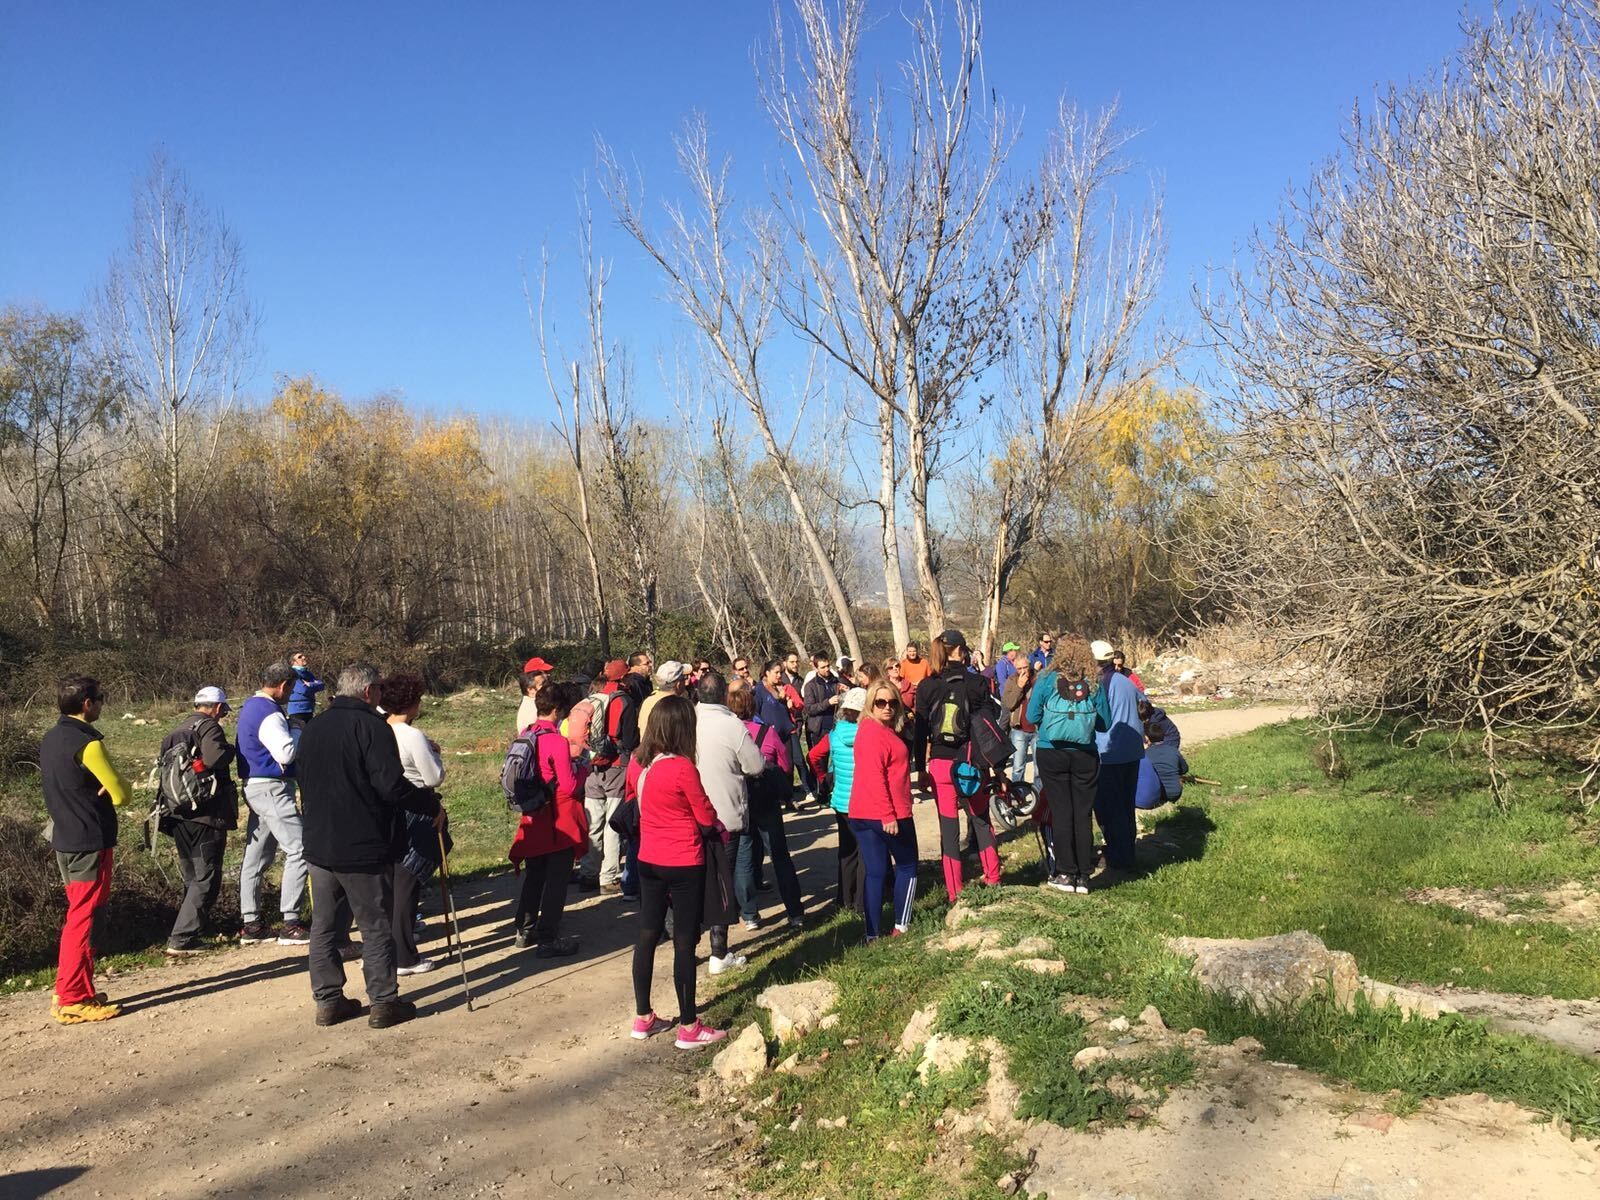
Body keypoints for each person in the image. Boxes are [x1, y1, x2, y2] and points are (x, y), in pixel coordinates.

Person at [298, 664, 444, 1029]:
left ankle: (328, 1001)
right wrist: (429, 804)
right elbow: (390, 786)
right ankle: (384, 1002)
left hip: (318, 840)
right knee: (375, 924)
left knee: (324, 926)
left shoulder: (313, 727)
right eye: (378, 687)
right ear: (367, 691)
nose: (381, 693)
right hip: (361, 843)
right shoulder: (371, 727)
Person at [626, 694, 727, 1050]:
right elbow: (705, 814)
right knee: (685, 941)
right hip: (683, 859)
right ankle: (689, 1025)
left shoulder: (640, 764)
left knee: (647, 935)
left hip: (648, 858)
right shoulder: (682, 768)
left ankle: (643, 1017)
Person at [41, 675, 130, 1024]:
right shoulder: (87, 743)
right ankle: (73, 997)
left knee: (79, 915)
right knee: (85, 919)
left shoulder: (51, 738)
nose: (103, 703)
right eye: (101, 697)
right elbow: (122, 794)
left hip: (64, 837)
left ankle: (72, 989)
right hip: (90, 840)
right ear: (87, 703)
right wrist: (113, 787)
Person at [915, 630, 1002, 900]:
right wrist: (998, 768)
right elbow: (990, 725)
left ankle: (955, 892)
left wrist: (920, 769)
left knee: (949, 829)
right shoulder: (978, 683)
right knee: (981, 821)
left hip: (940, 764)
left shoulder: (926, 686)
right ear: (962, 651)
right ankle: (993, 879)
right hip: (971, 763)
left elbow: (920, 731)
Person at [691, 670, 766, 974]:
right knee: (722, 883)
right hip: (726, 816)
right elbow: (756, 765)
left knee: (694, 882)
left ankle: (687, 945)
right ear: (723, 695)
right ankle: (718, 952)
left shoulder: (687, 719)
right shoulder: (732, 725)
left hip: (692, 815)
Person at [509, 682, 590, 955]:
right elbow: (569, 785)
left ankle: (524, 929)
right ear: (557, 710)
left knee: (534, 875)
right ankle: (548, 938)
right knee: (557, 879)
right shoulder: (556, 741)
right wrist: (583, 768)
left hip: (533, 815)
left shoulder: (527, 733)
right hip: (557, 819)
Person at [160, 687, 238, 957]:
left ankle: (192, 929)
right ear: (216, 707)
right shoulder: (209, 727)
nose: (223, 715)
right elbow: (215, 757)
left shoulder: (176, 730)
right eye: (223, 710)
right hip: (206, 814)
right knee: (206, 877)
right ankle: (182, 937)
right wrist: (231, 750)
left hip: (178, 814)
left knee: (192, 875)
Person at [1029, 638, 1110, 893]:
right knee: (1082, 813)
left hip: (1051, 752)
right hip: (1085, 754)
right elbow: (1105, 724)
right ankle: (1084, 876)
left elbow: (1031, 716)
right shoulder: (1094, 683)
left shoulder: (1046, 679)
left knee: (1061, 811)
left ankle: (1065, 873)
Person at [237, 660, 308, 945]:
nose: (291, 694)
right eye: (291, 688)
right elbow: (286, 753)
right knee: (300, 848)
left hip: (255, 786)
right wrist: (298, 730)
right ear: (284, 685)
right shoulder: (269, 712)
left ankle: (251, 923)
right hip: (272, 787)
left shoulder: (250, 707)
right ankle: (291, 923)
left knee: (257, 856)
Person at [382, 671, 446, 975]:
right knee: (408, 884)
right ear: (411, 703)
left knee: (392, 885)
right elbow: (433, 777)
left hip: (385, 811)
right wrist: (435, 754)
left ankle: (391, 948)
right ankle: (404, 957)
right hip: (417, 807)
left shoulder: (377, 730)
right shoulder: (412, 736)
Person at [735, 669, 807, 930]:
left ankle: (749, 914)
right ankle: (795, 911)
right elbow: (786, 766)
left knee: (744, 856)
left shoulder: (730, 735)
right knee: (779, 854)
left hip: (741, 799)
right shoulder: (767, 733)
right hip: (766, 797)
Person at [849, 680, 918, 940]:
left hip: (864, 813)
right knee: (908, 866)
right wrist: (888, 815)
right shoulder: (873, 733)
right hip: (887, 812)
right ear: (870, 704)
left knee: (876, 872)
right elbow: (874, 776)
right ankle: (902, 925)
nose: (887, 707)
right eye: (880, 702)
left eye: (892, 702)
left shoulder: (877, 730)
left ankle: (872, 933)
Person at [582, 659, 640, 894]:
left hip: (592, 766)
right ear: (623, 677)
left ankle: (588, 873)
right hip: (616, 765)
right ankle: (608, 877)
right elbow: (629, 739)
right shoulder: (624, 700)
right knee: (612, 823)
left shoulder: (593, 698)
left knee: (593, 823)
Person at [1092, 639, 1146, 873]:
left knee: (1108, 808)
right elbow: (1146, 706)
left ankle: (1117, 855)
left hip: (1108, 753)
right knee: (1126, 805)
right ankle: (1128, 853)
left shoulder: (1100, 685)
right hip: (1132, 751)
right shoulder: (1126, 681)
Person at [823, 687, 867, 910]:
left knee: (847, 851)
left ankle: (844, 899)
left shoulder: (834, 734)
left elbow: (815, 755)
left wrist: (822, 776)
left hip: (841, 801)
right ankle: (862, 900)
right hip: (863, 800)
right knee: (865, 852)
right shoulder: (867, 735)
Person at [1136, 701, 1187, 810]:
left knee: (1161, 760)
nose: (1144, 721)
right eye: (1142, 719)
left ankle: (1165, 780)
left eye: (1145, 719)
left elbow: (1150, 736)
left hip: (1170, 738)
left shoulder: (1155, 721)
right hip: (1163, 739)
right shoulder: (1151, 716)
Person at [898, 642, 934, 779]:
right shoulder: (903, 664)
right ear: (907, 652)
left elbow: (930, 677)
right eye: (910, 651)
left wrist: (922, 683)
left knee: (923, 724)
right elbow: (901, 679)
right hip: (908, 696)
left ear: (917, 651)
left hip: (922, 694)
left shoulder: (924, 663)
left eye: (914, 651)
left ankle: (927, 753)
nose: (912, 653)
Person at [1001, 656, 1038, 788]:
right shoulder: (1011, 681)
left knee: (1039, 767)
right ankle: (1018, 793)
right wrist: (1019, 687)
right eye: (1019, 668)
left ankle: (1039, 794)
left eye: (1025, 667)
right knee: (1018, 767)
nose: (1022, 671)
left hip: (1037, 729)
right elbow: (1009, 704)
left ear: (1030, 666)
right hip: (1019, 729)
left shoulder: (1038, 679)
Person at [801, 652, 842, 756]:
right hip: (819, 729)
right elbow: (809, 709)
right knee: (821, 761)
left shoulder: (836, 682)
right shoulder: (810, 686)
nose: (826, 669)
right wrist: (828, 703)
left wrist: (845, 692)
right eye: (823, 667)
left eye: (828, 666)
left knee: (837, 759)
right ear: (816, 668)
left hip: (836, 727)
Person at [639, 660, 688, 735]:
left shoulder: (648, 701)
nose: (686, 681)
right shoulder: (676, 707)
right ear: (678, 684)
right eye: (684, 678)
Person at [514, 655, 555, 734]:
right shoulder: (533, 709)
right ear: (531, 690)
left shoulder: (536, 702)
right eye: (544, 672)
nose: (548, 676)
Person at [286, 650, 325, 731]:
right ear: (293, 662)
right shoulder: (292, 674)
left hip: (309, 711)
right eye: (300, 657)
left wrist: (310, 684)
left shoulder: (308, 673)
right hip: (297, 712)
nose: (304, 657)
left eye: (303, 656)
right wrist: (314, 685)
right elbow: (303, 689)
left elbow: (322, 685)